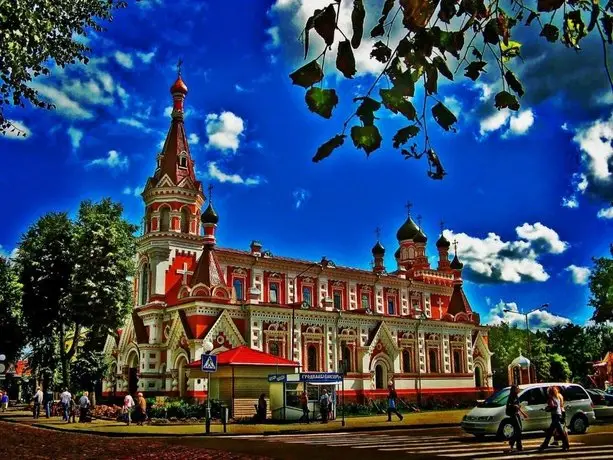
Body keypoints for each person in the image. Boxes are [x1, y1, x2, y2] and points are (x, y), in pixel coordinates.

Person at [539, 386, 570, 452]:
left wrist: (547, 409)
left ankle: (566, 445)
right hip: (558, 414)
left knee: (559, 432)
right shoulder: (557, 397)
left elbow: (552, 406)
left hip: (555, 416)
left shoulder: (551, 398)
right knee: (551, 431)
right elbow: (557, 406)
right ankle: (545, 445)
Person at [505, 385, 527, 452]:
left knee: (518, 430)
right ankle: (512, 442)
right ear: (514, 390)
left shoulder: (516, 396)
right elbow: (509, 405)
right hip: (513, 415)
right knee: (519, 430)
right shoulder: (511, 397)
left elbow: (518, 407)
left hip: (517, 414)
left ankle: (519, 446)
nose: (518, 390)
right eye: (517, 389)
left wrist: (523, 414)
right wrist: (514, 405)